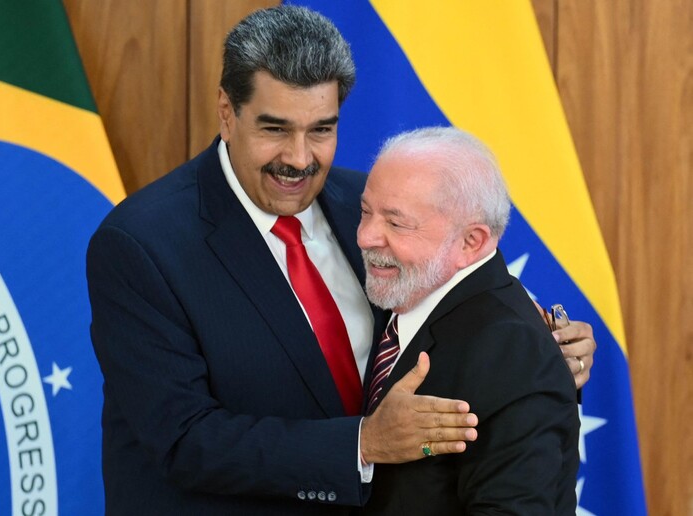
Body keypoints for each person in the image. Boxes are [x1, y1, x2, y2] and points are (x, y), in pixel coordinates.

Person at [86, 6, 593, 515]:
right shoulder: (140, 244)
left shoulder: (367, 204)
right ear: (226, 111)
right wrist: (362, 445)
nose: (300, 159)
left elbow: (465, 294)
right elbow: (183, 439)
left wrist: (539, 348)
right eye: (275, 129)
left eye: (321, 130)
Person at [358, 126, 580, 514]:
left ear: (471, 242)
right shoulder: (407, 291)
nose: (365, 236)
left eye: (396, 223)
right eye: (365, 211)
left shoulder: (512, 352)